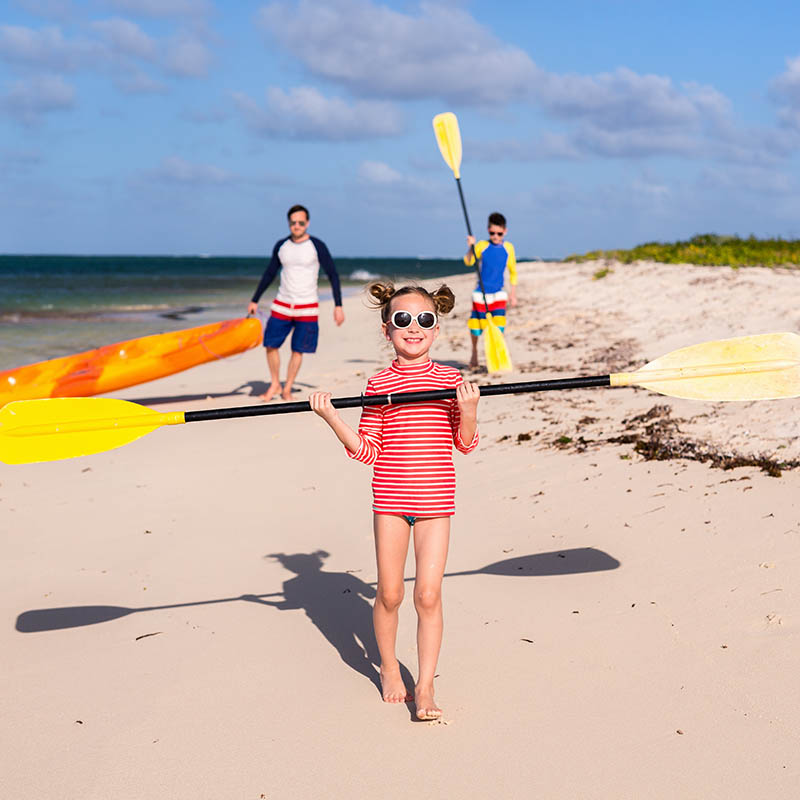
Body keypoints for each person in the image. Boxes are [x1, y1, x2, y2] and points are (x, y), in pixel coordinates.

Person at [308, 282, 480, 721]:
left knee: (427, 594)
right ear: (388, 330)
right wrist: (331, 417)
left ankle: (425, 684)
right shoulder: (378, 384)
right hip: (390, 500)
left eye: (424, 320)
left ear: (436, 329)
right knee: (388, 593)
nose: (414, 327)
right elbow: (367, 450)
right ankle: (387, 667)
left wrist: (471, 410)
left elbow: (465, 443)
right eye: (402, 319)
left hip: (436, 502)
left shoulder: (450, 380)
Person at [248, 204, 345, 401]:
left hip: (307, 307)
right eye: (293, 223)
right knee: (270, 345)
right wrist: (255, 299)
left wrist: (338, 306)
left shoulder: (317, 246)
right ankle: (275, 383)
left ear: (307, 223)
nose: (297, 226)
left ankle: (288, 387)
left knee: (298, 350)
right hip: (282, 304)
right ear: (289, 224)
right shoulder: (282, 246)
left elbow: (333, 275)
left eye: (301, 222)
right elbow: (269, 273)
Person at [464, 211, 518, 369]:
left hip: (499, 295)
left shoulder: (508, 248)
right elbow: (469, 262)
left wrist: (513, 295)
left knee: (499, 327)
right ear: (488, 230)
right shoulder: (482, 245)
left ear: (505, 231)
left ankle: (494, 357)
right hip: (481, 294)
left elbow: (513, 272)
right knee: (476, 327)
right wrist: (471, 247)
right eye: (492, 233)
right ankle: (474, 354)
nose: (495, 236)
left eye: (499, 233)